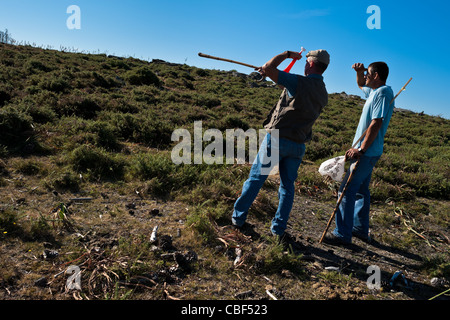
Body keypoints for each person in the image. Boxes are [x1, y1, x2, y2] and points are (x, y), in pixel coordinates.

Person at [231, 49, 330, 243]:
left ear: (310, 63)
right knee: (287, 187)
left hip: (277, 139)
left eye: (306, 61)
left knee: (256, 179)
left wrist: (286, 54)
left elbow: (268, 68)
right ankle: (278, 229)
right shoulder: (323, 93)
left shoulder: (298, 82)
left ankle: (238, 219)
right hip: (299, 144)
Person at [323, 61, 394, 246]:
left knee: (346, 190)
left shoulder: (382, 93)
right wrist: (359, 71)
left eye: (368, 73)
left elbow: (376, 123)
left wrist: (361, 149)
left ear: (376, 75)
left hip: (366, 152)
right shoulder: (374, 92)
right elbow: (360, 85)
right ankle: (359, 229)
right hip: (370, 151)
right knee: (361, 191)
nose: (365, 77)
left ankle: (342, 234)